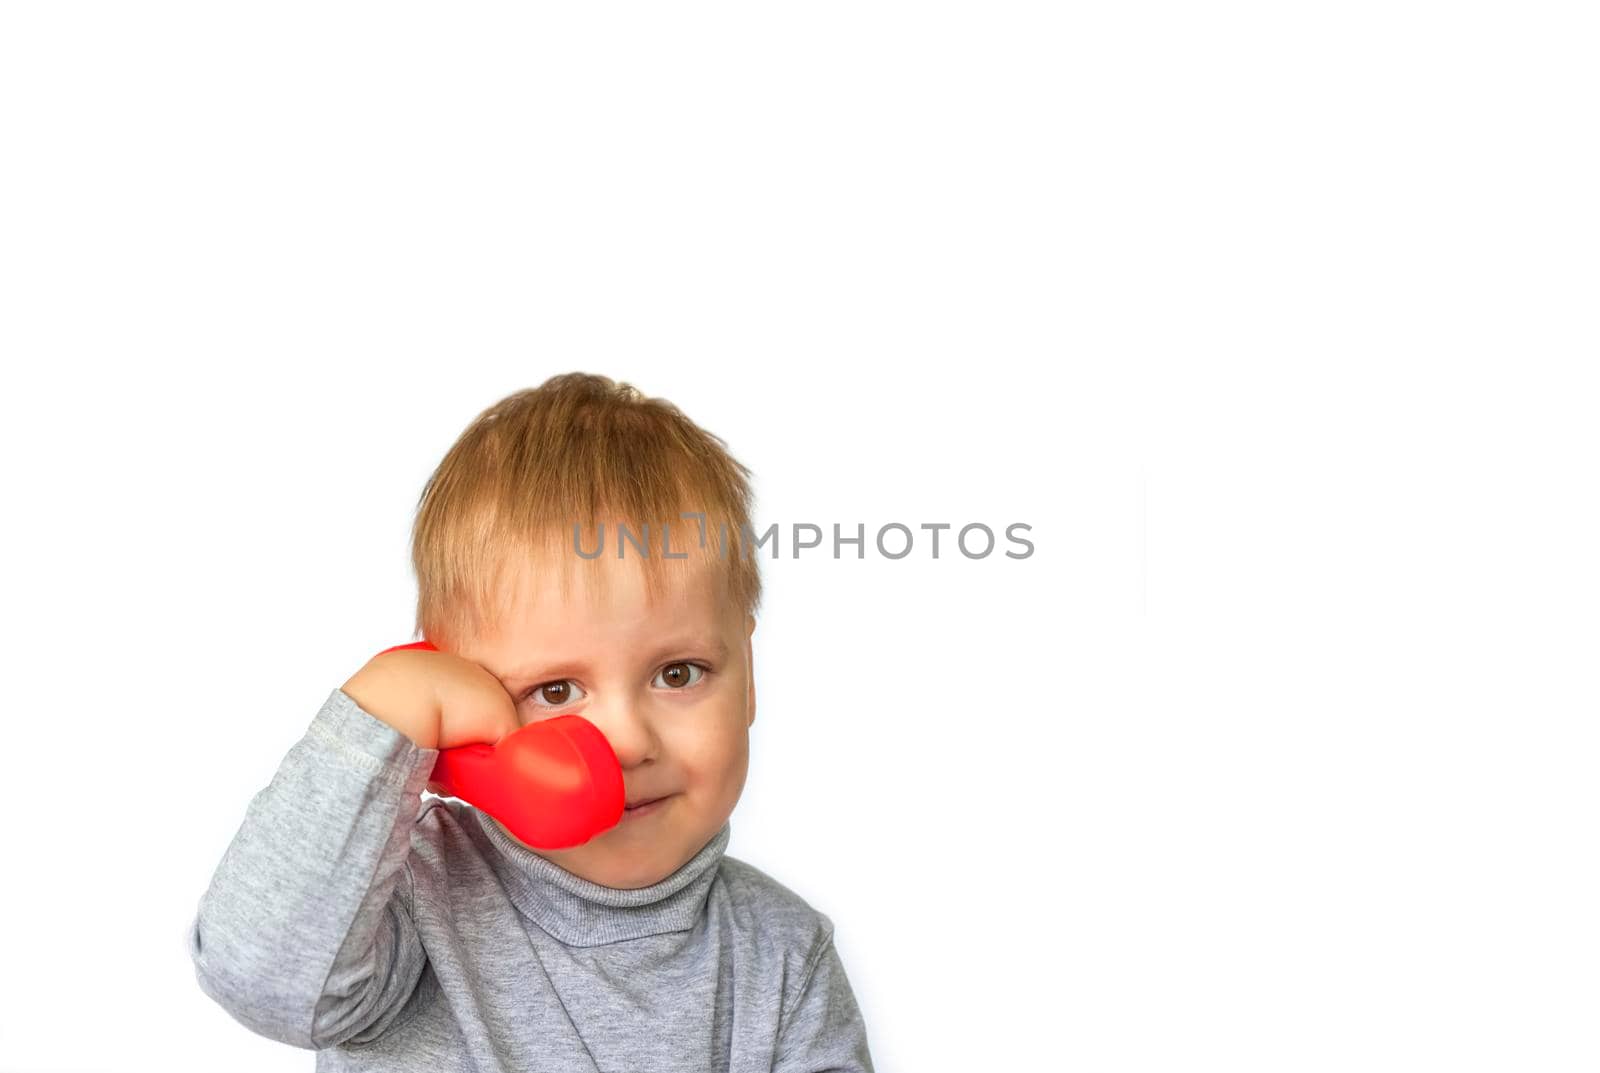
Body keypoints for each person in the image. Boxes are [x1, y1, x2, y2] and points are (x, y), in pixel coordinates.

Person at [187, 372, 876, 1071]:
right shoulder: (401, 901)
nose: (631, 740)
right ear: (459, 695)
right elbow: (258, 978)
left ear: (748, 678)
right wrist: (384, 720)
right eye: (554, 688)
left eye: (678, 673)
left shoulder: (785, 958)